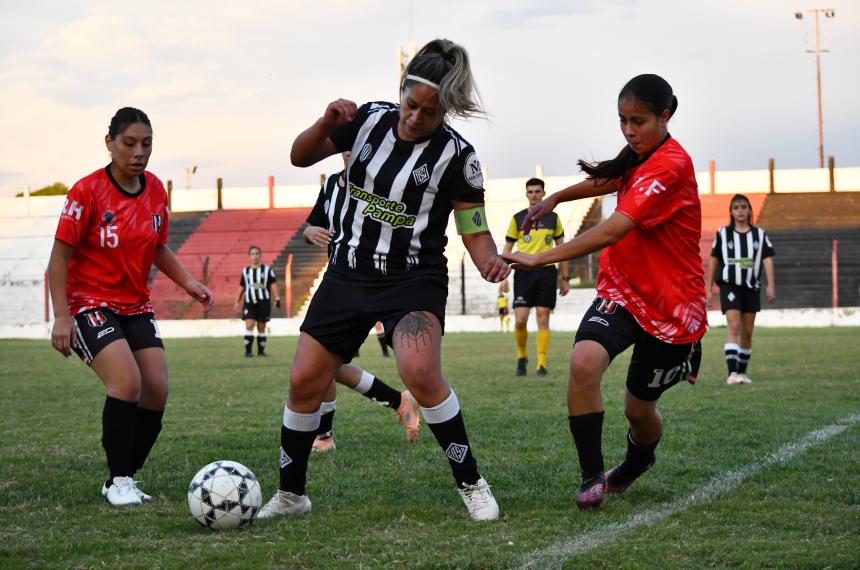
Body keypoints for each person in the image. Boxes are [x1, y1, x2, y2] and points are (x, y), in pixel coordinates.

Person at [258, 38, 510, 522]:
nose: (417, 118)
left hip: (412, 279)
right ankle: (292, 495)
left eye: (431, 113)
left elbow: (474, 228)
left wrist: (489, 261)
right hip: (347, 271)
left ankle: (471, 482)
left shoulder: (458, 156)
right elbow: (299, 157)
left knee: (419, 371)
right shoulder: (365, 119)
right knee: (304, 380)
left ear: (447, 112)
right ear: (401, 92)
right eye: (412, 105)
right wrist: (326, 123)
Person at [502, 74, 707, 511]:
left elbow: (614, 228)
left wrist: (542, 257)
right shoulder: (636, 155)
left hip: (671, 306)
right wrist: (555, 197)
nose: (629, 131)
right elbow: (612, 178)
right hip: (623, 291)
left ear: (665, 116)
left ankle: (636, 463)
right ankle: (591, 477)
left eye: (639, 121)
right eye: (622, 121)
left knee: (638, 410)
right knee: (583, 362)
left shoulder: (671, 164)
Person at [48, 107, 214, 506]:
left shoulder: (156, 189)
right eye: (129, 143)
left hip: (135, 306)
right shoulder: (86, 191)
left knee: (156, 390)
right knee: (126, 383)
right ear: (109, 143)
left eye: (147, 144)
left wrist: (188, 282)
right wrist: (61, 316)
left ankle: (124, 477)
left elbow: (157, 246)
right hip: (89, 304)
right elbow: (58, 258)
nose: (139, 152)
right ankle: (119, 477)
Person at [302, 170, 420, 453]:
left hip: (371, 283)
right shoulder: (331, 184)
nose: (347, 151)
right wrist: (308, 232)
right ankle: (397, 401)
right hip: (338, 282)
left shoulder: (381, 181)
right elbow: (312, 224)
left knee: (324, 363)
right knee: (325, 364)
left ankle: (326, 436)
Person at [704, 194, 775, 385]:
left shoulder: (759, 234)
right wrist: (708, 288)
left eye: (744, 207)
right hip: (730, 286)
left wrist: (770, 284)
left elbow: (767, 258)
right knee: (734, 326)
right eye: (736, 207)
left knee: (748, 331)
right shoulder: (723, 234)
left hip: (751, 287)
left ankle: (742, 373)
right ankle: (732, 373)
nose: (741, 210)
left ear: (749, 210)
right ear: (731, 211)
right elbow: (713, 260)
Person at [503, 177, 570, 376]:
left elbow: (562, 249)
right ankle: (522, 356)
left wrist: (564, 278)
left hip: (547, 271)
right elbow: (507, 249)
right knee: (520, 320)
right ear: (526, 194)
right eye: (531, 192)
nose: (534, 195)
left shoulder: (553, 218)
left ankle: (541, 363)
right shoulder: (517, 218)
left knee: (543, 318)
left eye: (537, 191)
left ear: (543, 193)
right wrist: (504, 276)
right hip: (523, 272)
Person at [233, 246, 280, 357]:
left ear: (260, 255)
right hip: (249, 302)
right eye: (253, 254)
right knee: (249, 324)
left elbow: (273, 284)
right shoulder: (245, 271)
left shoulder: (267, 269)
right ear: (249, 256)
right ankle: (248, 352)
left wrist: (277, 298)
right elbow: (242, 287)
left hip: (264, 302)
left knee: (261, 326)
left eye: (257, 253)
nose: (255, 256)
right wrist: (237, 301)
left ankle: (261, 352)